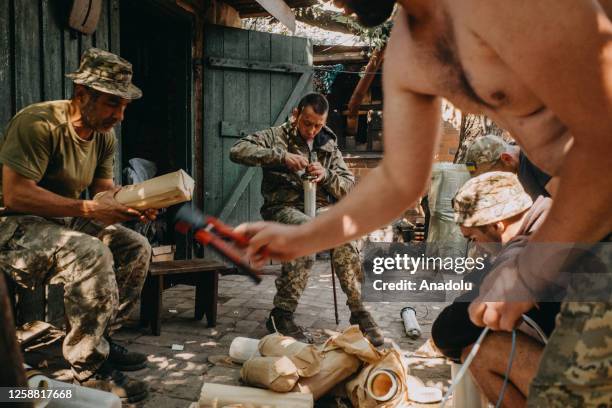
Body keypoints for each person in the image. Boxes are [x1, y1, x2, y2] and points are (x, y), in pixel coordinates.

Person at [238, 2, 612, 406]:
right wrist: (303, 238)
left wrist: (529, 271)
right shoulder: (409, 47)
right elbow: (398, 181)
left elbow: (604, 146)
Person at [0, 48, 155, 402]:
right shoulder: (38, 123)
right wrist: (87, 209)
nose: (119, 115)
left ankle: (101, 339)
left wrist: (135, 204)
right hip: (11, 225)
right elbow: (14, 195)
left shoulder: (104, 134)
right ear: (81, 95)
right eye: (111, 104)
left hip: (62, 222)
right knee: (91, 251)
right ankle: (88, 369)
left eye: (124, 106)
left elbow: (104, 193)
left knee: (135, 245)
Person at [229, 93, 384, 346]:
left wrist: (327, 175)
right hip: (283, 208)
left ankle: (359, 312)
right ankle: (281, 314)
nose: (312, 130)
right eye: (307, 123)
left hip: (320, 209)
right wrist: (280, 157)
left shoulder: (328, 144)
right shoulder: (275, 136)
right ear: (296, 114)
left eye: (318, 125)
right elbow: (237, 151)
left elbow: (348, 187)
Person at [432, 172, 560, 407]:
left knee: (480, 352)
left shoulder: (525, 252)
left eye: (473, 238)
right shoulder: (555, 216)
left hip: (597, 380)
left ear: (496, 225)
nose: (476, 246)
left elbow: (448, 332)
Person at [465, 134, 556, 198]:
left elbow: (565, 200)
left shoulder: (535, 158)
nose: (491, 182)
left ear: (506, 159)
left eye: (491, 177)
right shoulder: (517, 168)